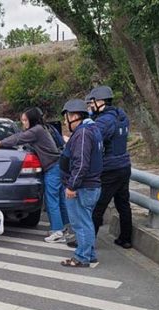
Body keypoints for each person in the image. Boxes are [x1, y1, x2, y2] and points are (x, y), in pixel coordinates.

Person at [0, 107, 68, 243]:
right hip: (58, 165)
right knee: (60, 199)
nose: (23, 123)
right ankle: (65, 227)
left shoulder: (36, 131)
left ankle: (57, 232)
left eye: (25, 120)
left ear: (31, 119)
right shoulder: (45, 128)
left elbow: (18, 138)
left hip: (52, 168)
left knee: (51, 200)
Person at [81, 86, 133, 250]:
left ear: (101, 101)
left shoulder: (105, 120)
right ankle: (125, 238)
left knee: (98, 206)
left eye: (92, 102)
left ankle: (88, 243)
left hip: (110, 169)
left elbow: (93, 139)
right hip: (124, 165)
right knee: (123, 204)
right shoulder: (120, 114)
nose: (90, 106)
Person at [59, 99, 103, 268]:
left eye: (66, 118)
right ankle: (89, 255)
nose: (65, 122)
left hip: (82, 187)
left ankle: (82, 257)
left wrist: (71, 186)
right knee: (86, 221)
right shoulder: (92, 129)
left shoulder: (83, 133)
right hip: (90, 185)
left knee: (80, 223)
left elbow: (81, 163)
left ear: (75, 116)